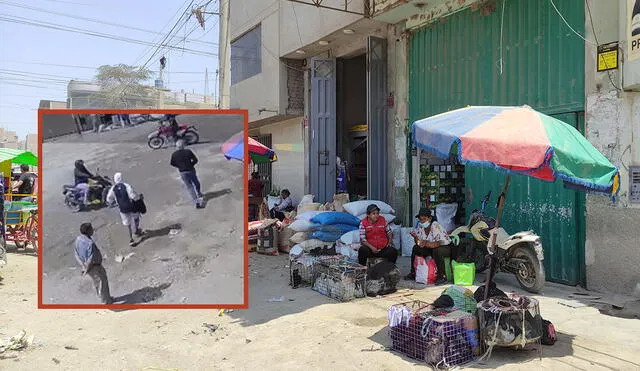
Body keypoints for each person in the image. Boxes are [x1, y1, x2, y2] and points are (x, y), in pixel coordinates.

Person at [404, 208, 457, 285]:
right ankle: (413, 273)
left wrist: (425, 243)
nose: (422, 221)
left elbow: (438, 243)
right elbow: (419, 242)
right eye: (420, 219)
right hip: (430, 247)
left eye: (424, 219)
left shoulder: (435, 226)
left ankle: (442, 276)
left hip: (444, 247)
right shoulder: (420, 226)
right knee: (416, 248)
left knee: (437, 250)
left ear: (429, 218)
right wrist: (416, 238)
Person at [74, 222, 113, 304]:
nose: (93, 230)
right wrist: (87, 269)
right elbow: (91, 259)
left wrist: (83, 266)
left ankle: (104, 298)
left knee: (97, 283)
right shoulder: (90, 243)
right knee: (102, 283)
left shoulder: (78, 239)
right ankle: (106, 301)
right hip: (94, 266)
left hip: (85, 265)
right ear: (88, 231)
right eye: (91, 229)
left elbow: (76, 253)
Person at [106, 172, 143, 246]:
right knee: (136, 217)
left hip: (122, 209)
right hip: (131, 206)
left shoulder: (113, 188)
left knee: (127, 224)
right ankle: (136, 230)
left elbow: (109, 199)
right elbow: (133, 195)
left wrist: (114, 202)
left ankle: (131, 239)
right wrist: (139, 198)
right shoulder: (126, 185)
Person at [170, 140, 204, 208]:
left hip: (182, 172)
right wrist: (191, 164)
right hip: (191, 170)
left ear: (177, 147)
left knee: (190, 187)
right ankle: (199, 193)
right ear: (183, 146)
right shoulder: (188, 151)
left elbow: (172, 163)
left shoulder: (174, 154)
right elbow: (195, 160)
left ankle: (196, 202)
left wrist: (179, 166)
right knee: (196, 182)